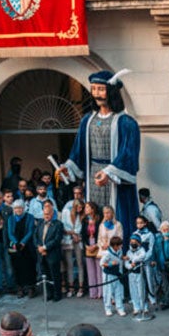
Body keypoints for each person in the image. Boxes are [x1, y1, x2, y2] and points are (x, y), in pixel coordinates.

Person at [59, 70, 141, 236]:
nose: (97, 93)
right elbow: (78, 150)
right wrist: (69, 167)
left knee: (116, 217)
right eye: (94, 89)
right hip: (93, 177)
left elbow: (129, 152)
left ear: (110, 91)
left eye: (101, 89)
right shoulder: (87, 121)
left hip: (114, 178)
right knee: (94, 215)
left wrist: (110, 172)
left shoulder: (126, 122)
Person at [34, 200, 63, 302]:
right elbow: (36, 236)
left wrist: (45, 248)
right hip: (41, 254)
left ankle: (57, 294)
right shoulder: (40, 223)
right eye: (45, 214)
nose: (46, 216)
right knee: (45, 275)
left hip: (52, 254)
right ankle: (48, 294)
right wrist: (39, 247)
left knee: (54, 275)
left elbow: (57, 240)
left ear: (52, 214)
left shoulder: (58, 224)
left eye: (48, 214)